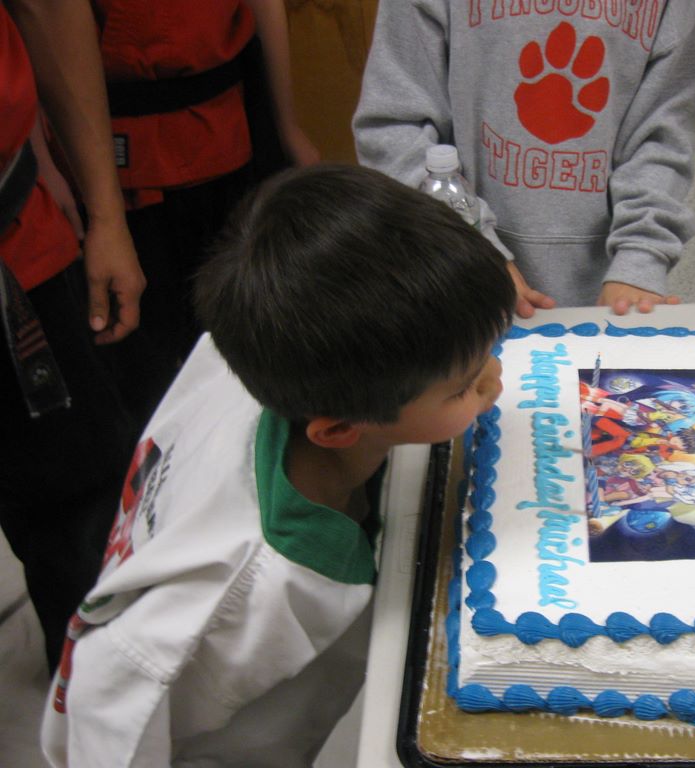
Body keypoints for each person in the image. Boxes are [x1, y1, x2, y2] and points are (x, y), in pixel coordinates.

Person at [41, 164, 516, 766]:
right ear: (338, 430)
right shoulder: (245, 594)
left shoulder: (276, 349)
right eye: (464, 386)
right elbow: (106, 705)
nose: (496, 379)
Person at [353, 0, 695, 316]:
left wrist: (640, 260)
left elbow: (660, 139)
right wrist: (472, 248)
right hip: (456, 284)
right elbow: (394, 127)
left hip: (611, 292)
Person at [89, 0, 320, 428]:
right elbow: (44, 27)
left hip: (232, 135)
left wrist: (287, 127)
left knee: (254, 343)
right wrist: (99, 210)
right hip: (127, 161)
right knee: (150, 374)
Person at [0, 0, 144, 674]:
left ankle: (98, 698)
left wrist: (106, 214)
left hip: (16, 242)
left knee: (85, 514)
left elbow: (48, 8)